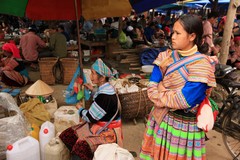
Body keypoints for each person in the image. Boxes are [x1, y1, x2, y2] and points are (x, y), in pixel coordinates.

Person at [139, 14, 218, 160]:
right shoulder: (165, 57)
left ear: (192, 36)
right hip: (162, 122)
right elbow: (151, 87)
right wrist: (168, 93)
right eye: (172, 32)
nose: (172, 37)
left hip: (185, 128)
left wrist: (162, 89)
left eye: (177, 33)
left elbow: (184, 100)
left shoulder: (201, 65)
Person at [59, 58, 123, 160]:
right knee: (68, 135)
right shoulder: (108, 88)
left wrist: (80, 108)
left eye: (93, 73)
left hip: (108, 132)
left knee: (80, 149)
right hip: (100, 125)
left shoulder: (104, 97)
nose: (90, 76)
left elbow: (90, 117)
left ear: (102, 78)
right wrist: (93, 90)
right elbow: (101, 103)